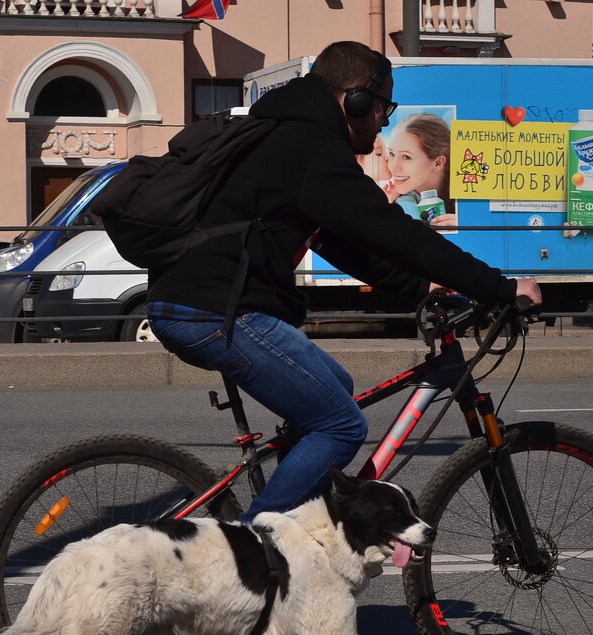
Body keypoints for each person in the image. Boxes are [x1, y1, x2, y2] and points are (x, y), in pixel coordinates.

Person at [145, 41, 541, 522]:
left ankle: (292, 537)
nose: (384, 121)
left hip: (199, 303)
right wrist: (499, 288)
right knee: (340, 425)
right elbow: (395, 231)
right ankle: (253, 548)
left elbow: (342, 243)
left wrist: (423, 289)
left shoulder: (285, 132)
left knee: (336, 385)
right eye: (382, 107)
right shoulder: (310, 147)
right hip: (213, 311)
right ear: (355, 100)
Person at [381, 112, 457, 228]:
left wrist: (467, 228)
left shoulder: (465, 199)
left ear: (437, 163)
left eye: (406, 157)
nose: (393, 167)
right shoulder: (399, 204)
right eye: (391, 154)